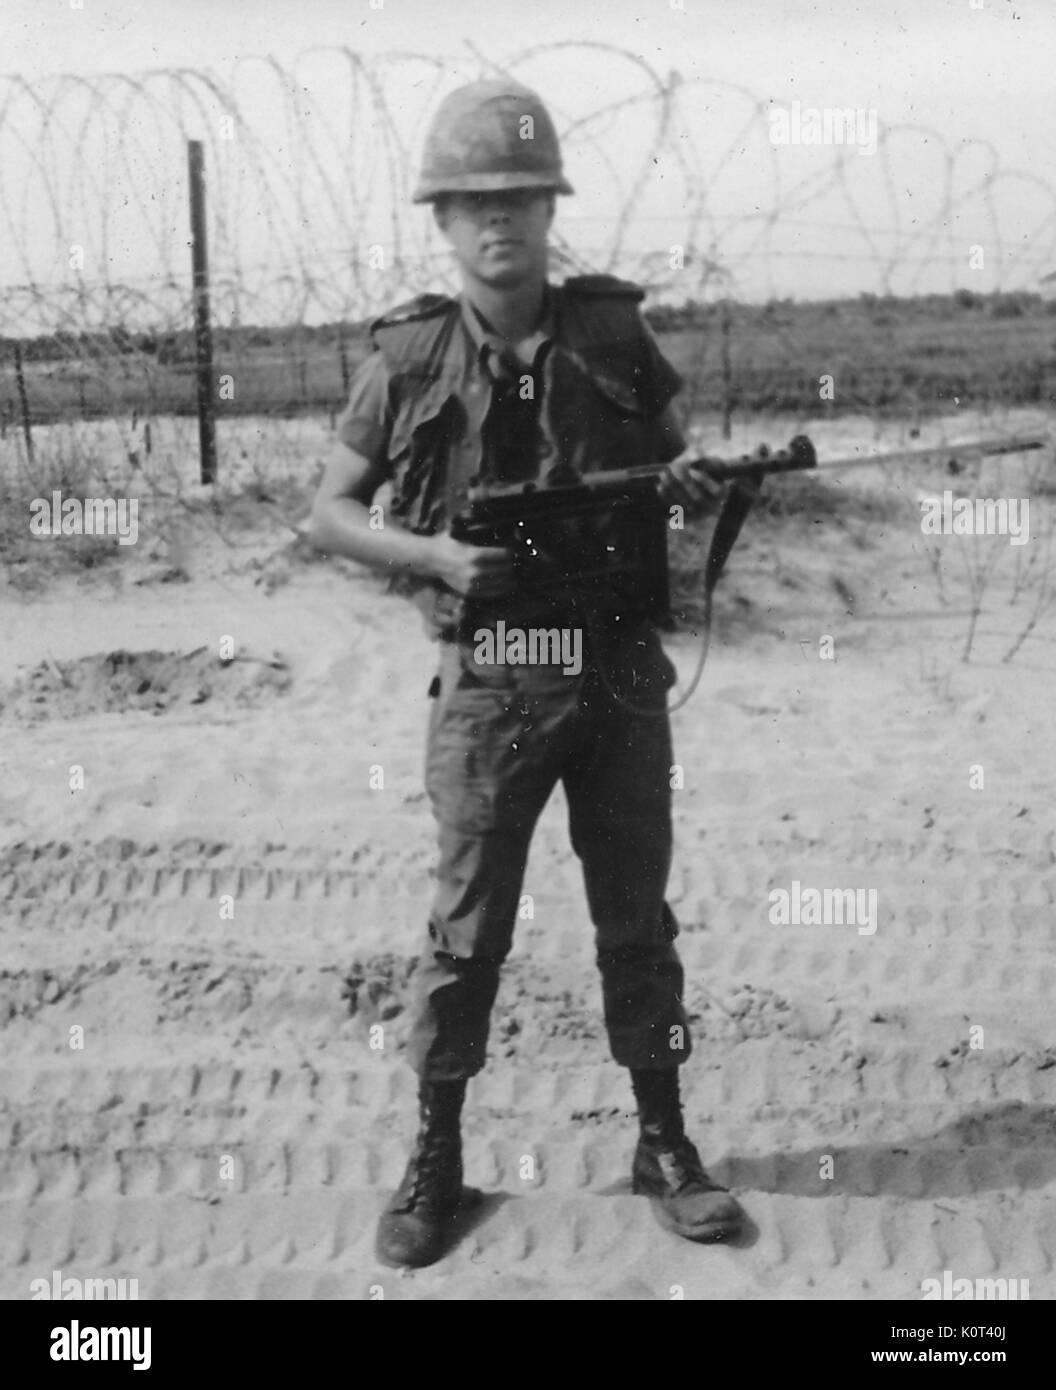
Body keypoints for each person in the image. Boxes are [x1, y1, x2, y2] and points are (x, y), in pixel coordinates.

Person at [309, 78, 748, 1269]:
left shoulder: (610, 333)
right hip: (492, 680)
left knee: (636, 923)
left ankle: (664, 1143)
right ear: (442, 223)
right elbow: (329, 513)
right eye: (472, 204)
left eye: (519, 199)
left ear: (550, 211)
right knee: (465, 937)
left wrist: (700, 477)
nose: (498, 222)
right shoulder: (408, 356)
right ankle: (436, 1156)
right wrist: (430, 553)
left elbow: (675, 455)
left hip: (611, 675)